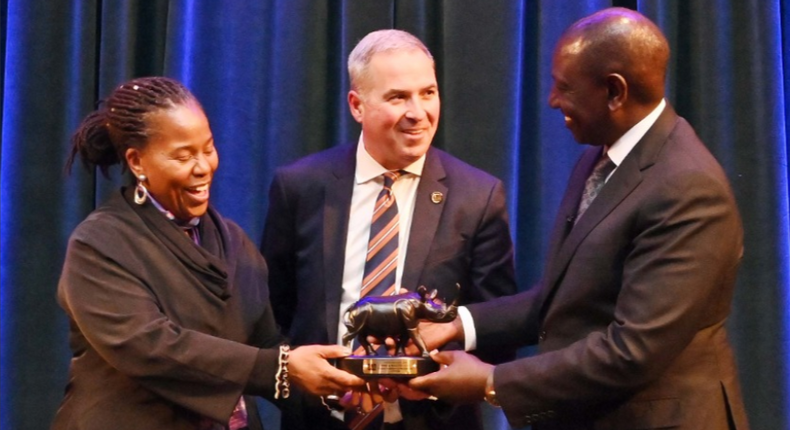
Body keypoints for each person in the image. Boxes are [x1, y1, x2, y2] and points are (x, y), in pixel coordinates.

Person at [409, 8, 750, 430]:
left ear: (614, 92)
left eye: (564, 87)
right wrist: (455, 325)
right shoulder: (600, 156)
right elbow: (565, 300)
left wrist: (491, 382)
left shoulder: (688, 188)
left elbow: (632, 351)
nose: (553, 100)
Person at [52, 76, 364, 430]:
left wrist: (344, 379)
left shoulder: (232, 240)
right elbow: (150, 346)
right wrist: (277, 367)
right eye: (183, 156)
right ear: (137, 162)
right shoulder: (99, 244)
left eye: (208, 148)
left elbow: (264, 341)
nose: (203, 167)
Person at [261, 29, 517, 430]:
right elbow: (272, 312)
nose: (418, 111)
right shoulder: (300, 187)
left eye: (428, 93)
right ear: (356, 105)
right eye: (398, 97)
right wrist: (311, 384)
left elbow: (499, 329)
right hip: (320, 419)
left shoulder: (479, 197)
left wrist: (433, 384)